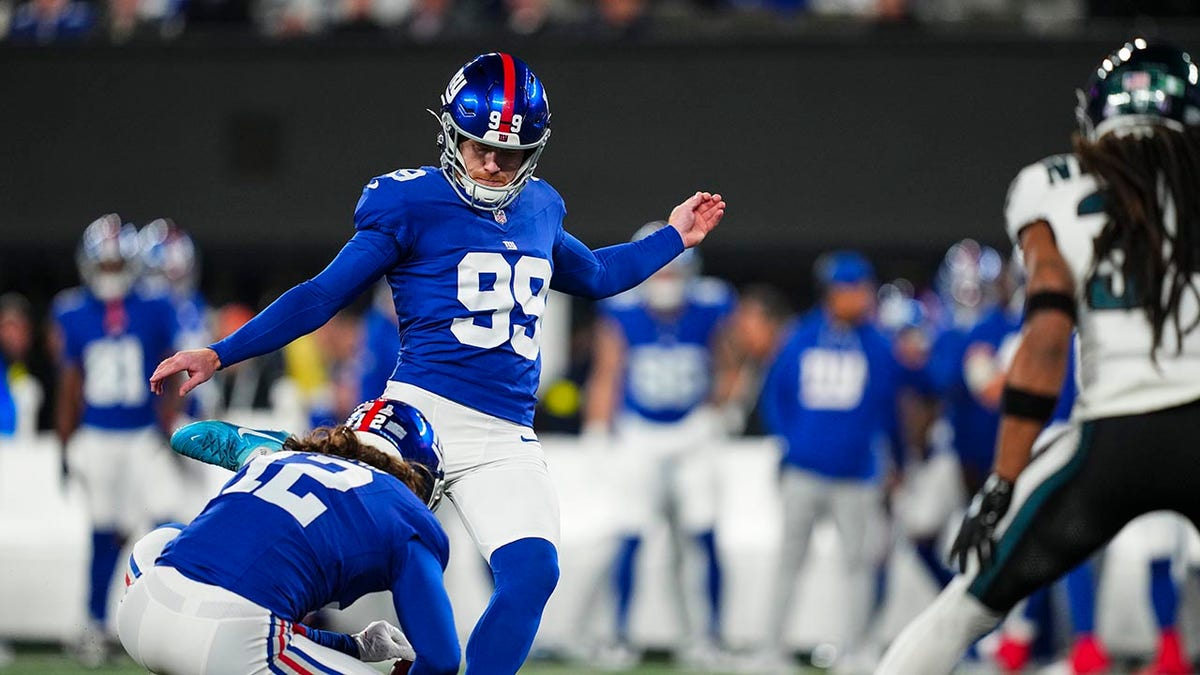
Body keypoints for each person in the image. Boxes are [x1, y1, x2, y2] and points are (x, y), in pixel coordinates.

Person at [148, 52, 725, 675]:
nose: (493, 163)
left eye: (510, 153)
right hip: (416, 413)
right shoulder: (411, 201)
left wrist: (674, 237)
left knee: (533, 573)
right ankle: (274, 465)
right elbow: (321, 294)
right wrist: (221, 352)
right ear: (451, 134)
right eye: (480, 147)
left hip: (505, 431)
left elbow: (599, 274)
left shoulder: (540, 205)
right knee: (332, 531)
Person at [877, 39, 1200, 674]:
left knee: (960, 612)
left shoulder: (1051, 184)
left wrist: (1002, 482)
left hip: (1112, 435)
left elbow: (1048, 334)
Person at [117, 397, 460, 675]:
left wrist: (354, 646)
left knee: (167, 539)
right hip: (231, 643)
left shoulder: (277, 459)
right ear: (420, 477)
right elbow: (441, 659)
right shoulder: (406, 513)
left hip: (142, 612)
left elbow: (186, 435)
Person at [582, 221, 736, 667]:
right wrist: (598, 428)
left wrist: (719, 410)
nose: (666, 281)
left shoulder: (711, 305)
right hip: (640, 433)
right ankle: (619, 635)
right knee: (630, 533)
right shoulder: (623, 312)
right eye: (660, 271)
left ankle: (709, 636)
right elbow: (608, 373)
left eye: (674, 271)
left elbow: (729, 364)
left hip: (692, 432)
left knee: (704, 532)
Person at [754, 251, 907, 674]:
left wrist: (897, 461)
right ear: (833, 291)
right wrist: (792, 443)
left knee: (858, 565)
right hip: (804, 470)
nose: (861, 297)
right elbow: (775, 395)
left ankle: (856, 651)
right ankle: (770, 649)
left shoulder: (878, 344)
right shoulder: (801, 336)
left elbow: (890, 409)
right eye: (853, 289)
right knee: (789, 561)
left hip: (857, 474)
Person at [52, 214, 183, 666]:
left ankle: (169, 619)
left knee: (166, 522)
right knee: (104, 531)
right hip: (98, 436)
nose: (110, 273)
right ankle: (93, 622)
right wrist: (64, 444)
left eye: (116, 265)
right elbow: (70, 382)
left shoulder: (156, 305)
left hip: (144, 434)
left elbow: (170, 368)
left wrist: (170, 425)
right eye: (104, 265)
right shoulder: (71, 310)